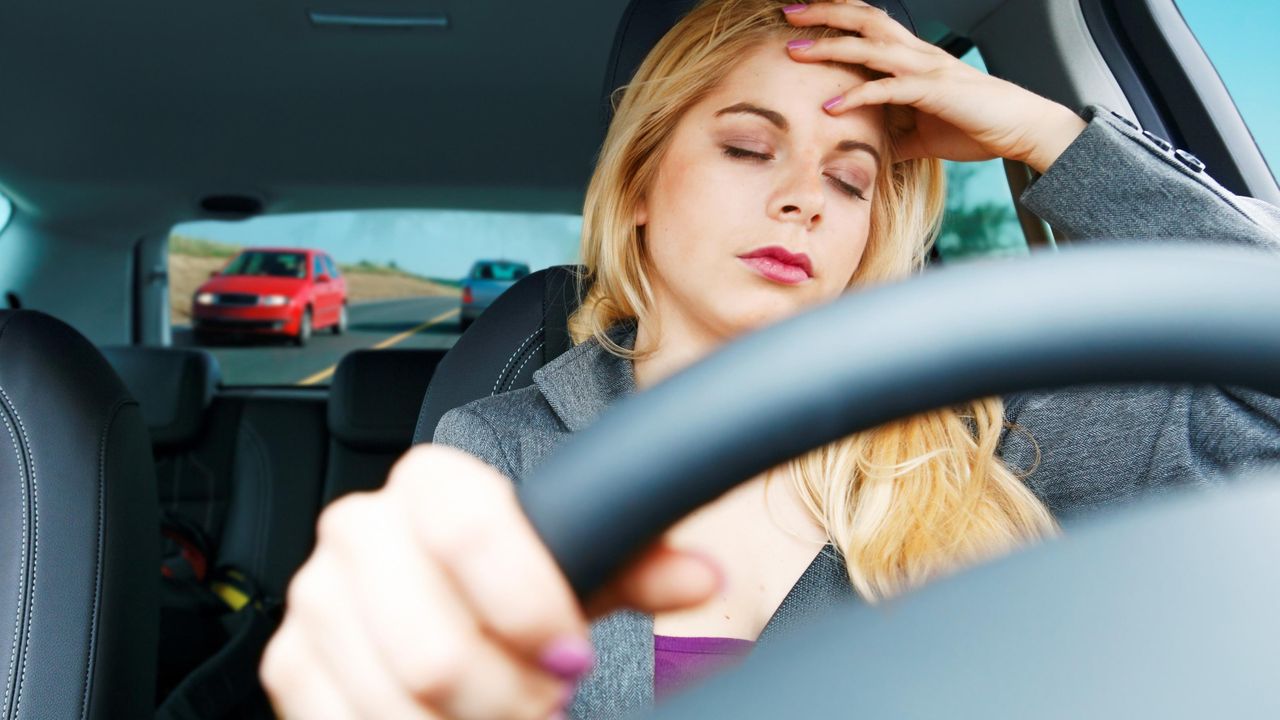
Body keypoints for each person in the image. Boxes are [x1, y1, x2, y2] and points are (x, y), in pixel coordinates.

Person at [260, 1, 1280, 718]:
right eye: (748, 148)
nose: (801, 197)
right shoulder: (502, 450)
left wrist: (1050, 137)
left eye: (850, 179)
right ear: (638, 187)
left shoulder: (993, 435)